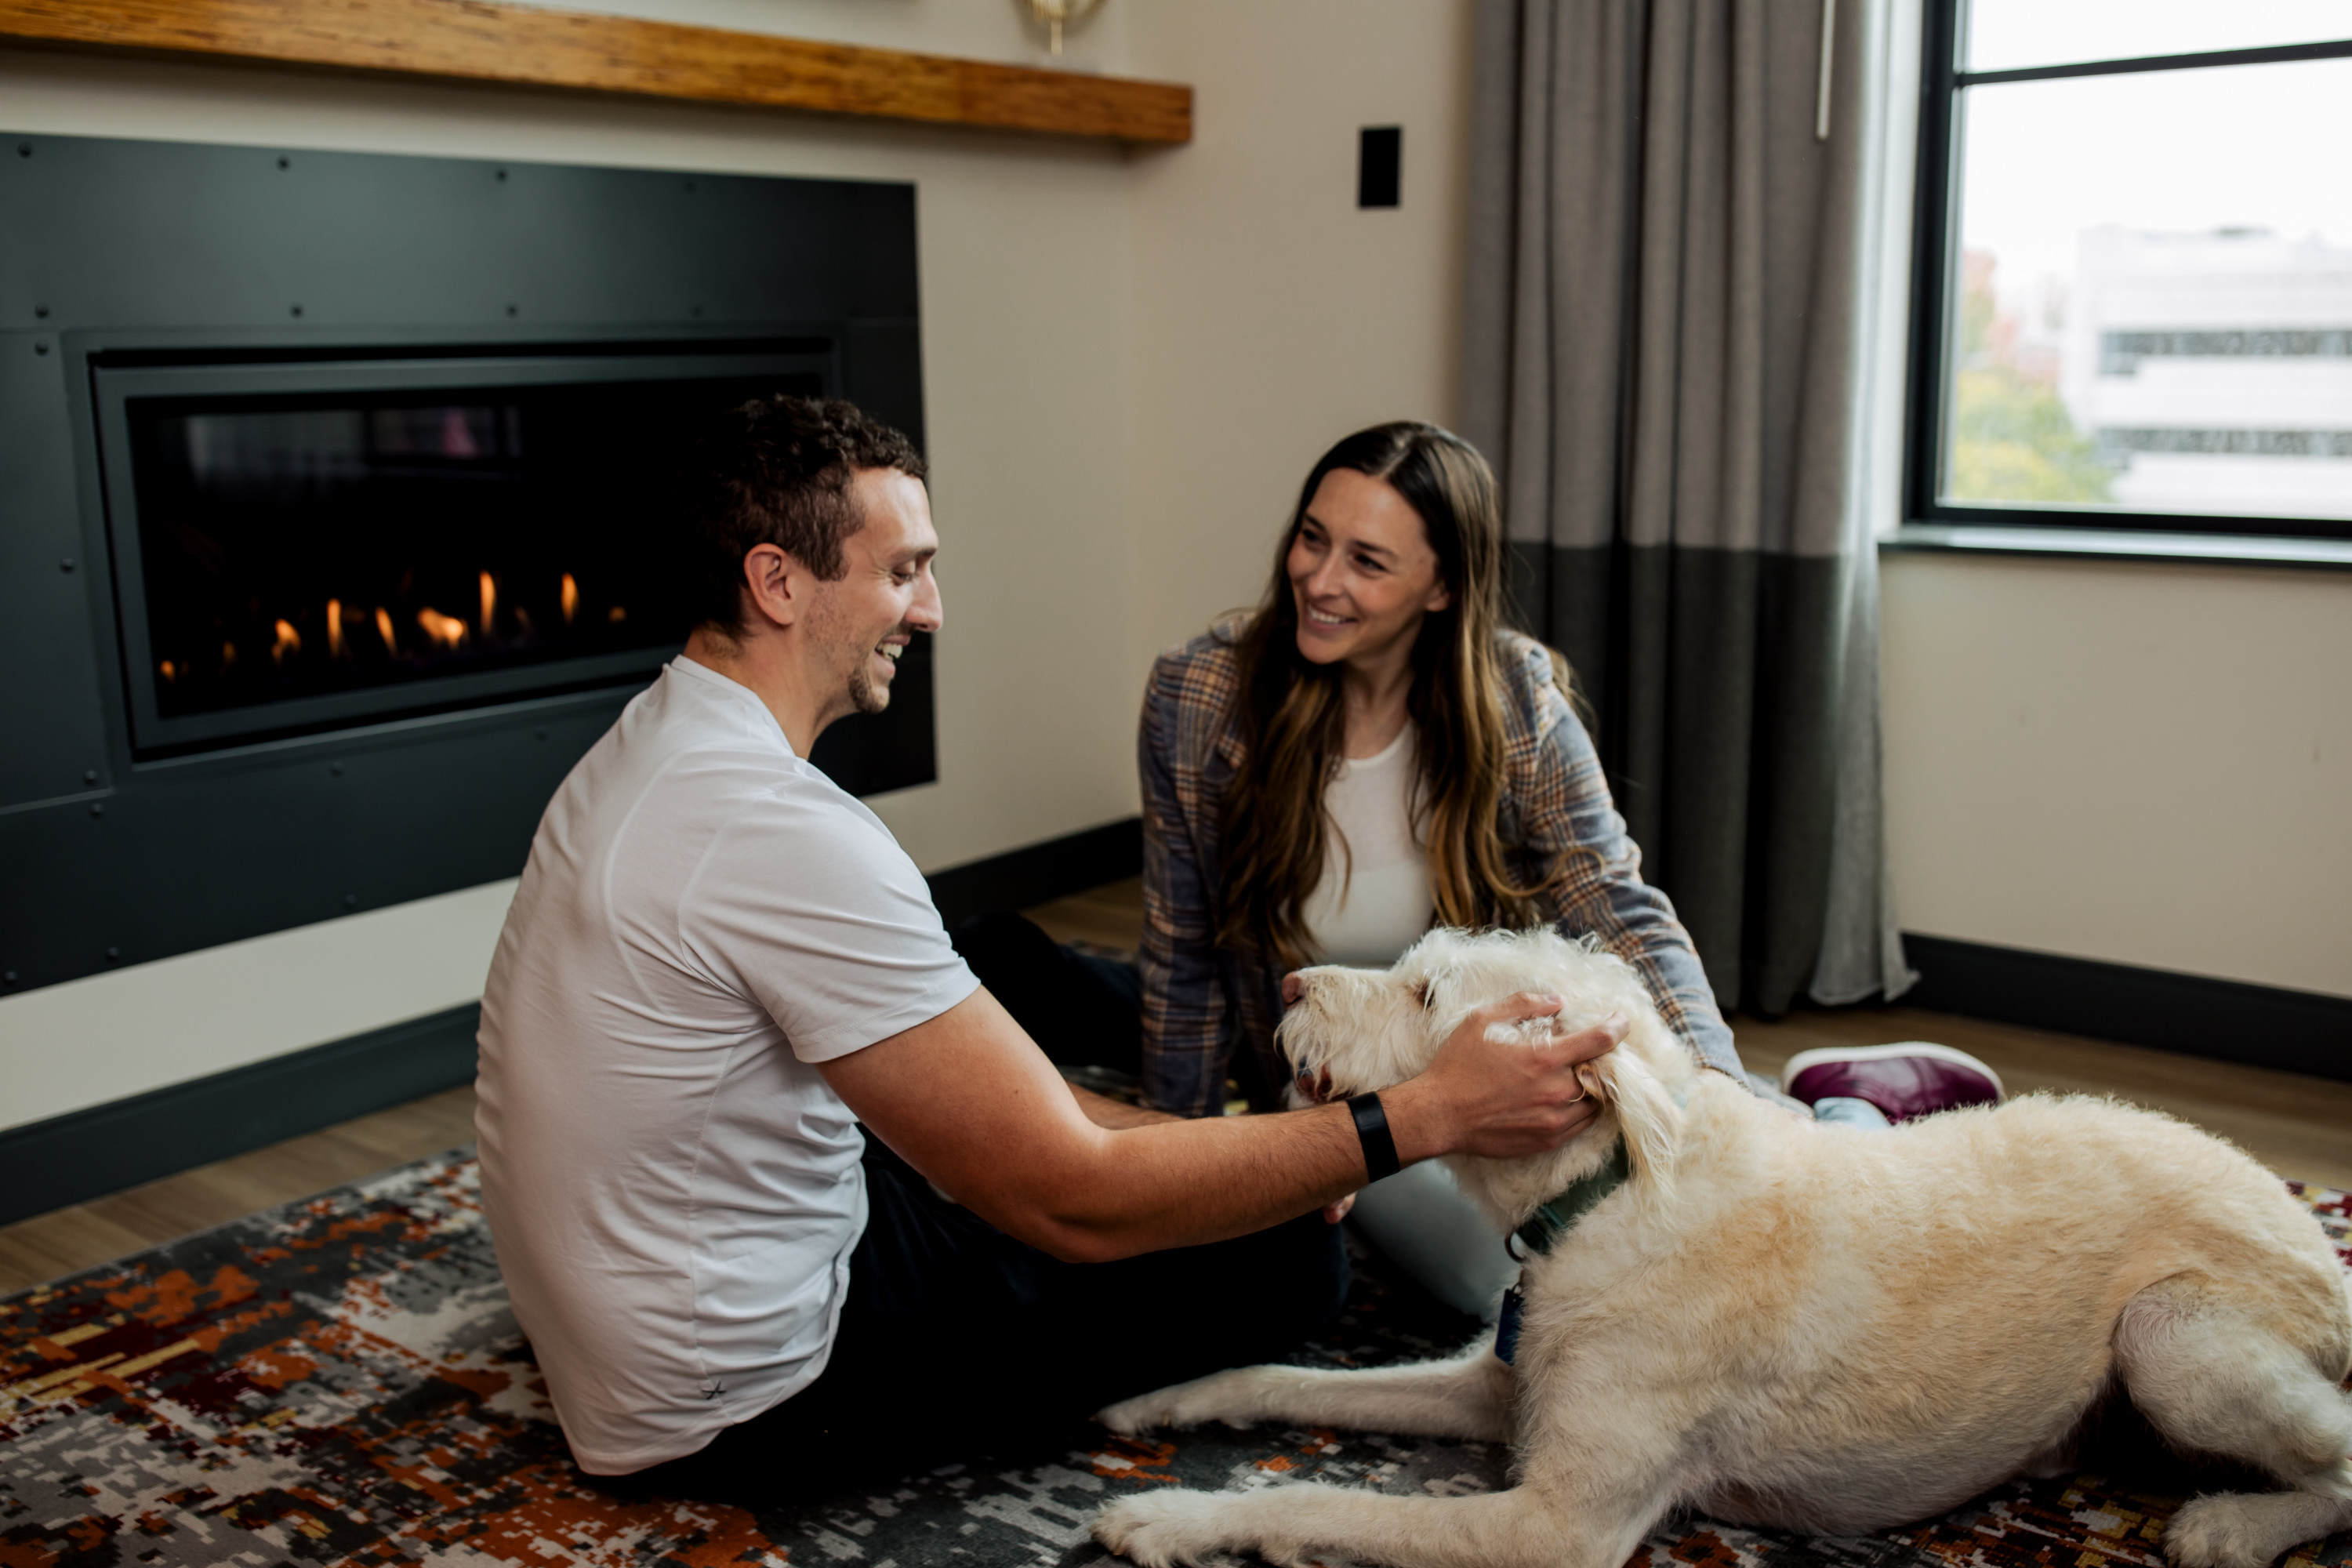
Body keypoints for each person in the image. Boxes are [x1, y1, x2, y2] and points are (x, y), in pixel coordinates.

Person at [472, 396, 1618, 1506]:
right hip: (749, 1400)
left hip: (643, 1337)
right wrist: (1421, 1119)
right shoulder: (789, 834)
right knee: (1291, 1262)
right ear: (777, 582)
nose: (930, 609)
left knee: (1078, 1128)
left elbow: (1038, 1131)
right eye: (902, 570)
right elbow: (1074, 1198)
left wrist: (1249, 1151)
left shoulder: (647, 745)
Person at [957, 421, 2003, 1320]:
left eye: (1368, 561)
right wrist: (1183, 1182)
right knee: (1466, 1279)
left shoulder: (1515, 700)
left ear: (1443, 584)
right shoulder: (1200, 694)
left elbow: (1618, 908)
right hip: (1310, 1047)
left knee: (1587, 1253)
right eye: (1312, 541)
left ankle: (1839, 1103)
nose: (1321, 580)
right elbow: (1184, 955)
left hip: (1456, 1060)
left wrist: (1725, 1093)